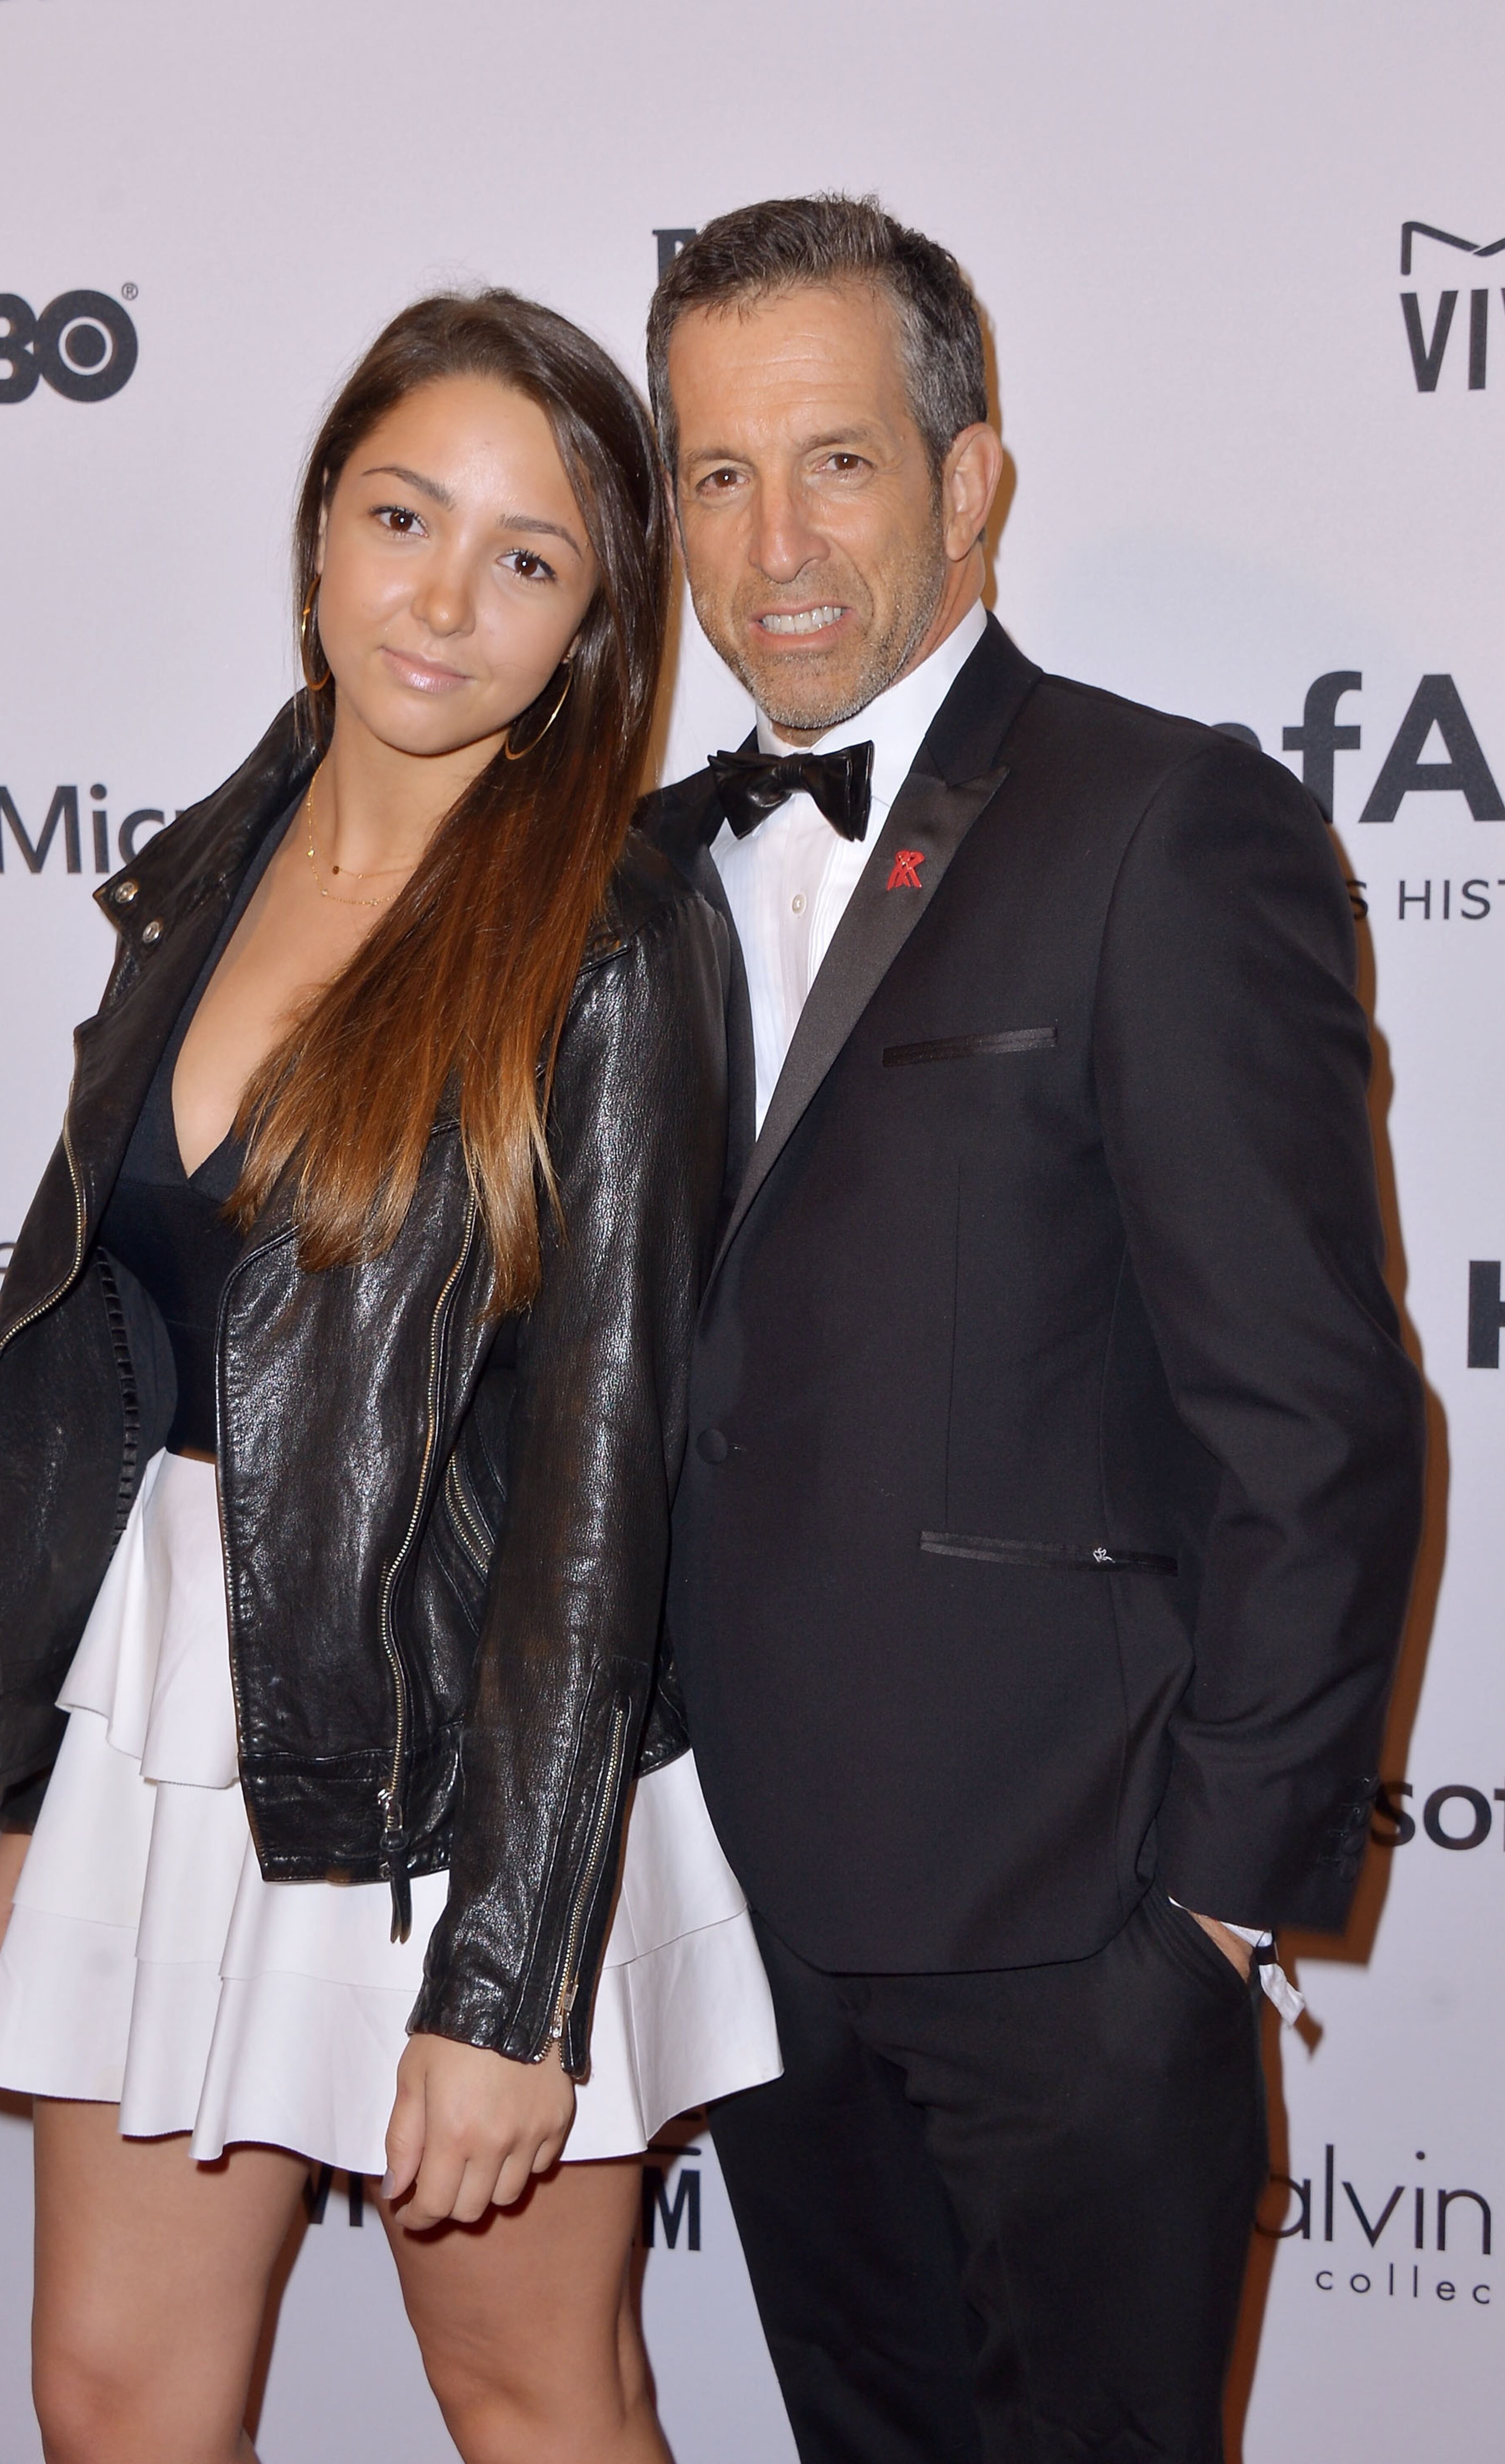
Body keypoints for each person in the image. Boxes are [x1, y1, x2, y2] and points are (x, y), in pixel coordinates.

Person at [642, 196, 1426, 2463]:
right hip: (759, 1922)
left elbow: (1318, 1410)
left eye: (840, 461)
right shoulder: (639, 876)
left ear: (973, 479)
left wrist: (1201, 1904)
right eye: (716, 471)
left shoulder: (1163, 826)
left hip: (1077, 1934)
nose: (773, 540)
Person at [0, 289, 779, 2464]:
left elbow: (607, 1491)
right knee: (112, 2393)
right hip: (175, 1723)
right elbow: (111, 1362)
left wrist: (510, 1985)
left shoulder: (613, 932)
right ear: (322, 527)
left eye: (527, 559)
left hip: (459, 1778)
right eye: (405, 516)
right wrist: (47, 1778)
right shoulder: (204, 869)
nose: (445, 598)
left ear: (597, 620)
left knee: (530, 2401)